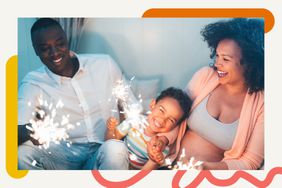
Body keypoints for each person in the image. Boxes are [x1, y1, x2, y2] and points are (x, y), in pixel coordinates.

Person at [17, 18, 137, 169]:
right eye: (45, 48)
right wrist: (32, 128)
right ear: (36, 50)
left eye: (59, 44)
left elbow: (133, 109)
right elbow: (13, 132)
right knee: (21, 155)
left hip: (102, 150)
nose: (54, 53)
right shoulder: (33, 82)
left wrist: (118, 133)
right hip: (63, 157)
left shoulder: (105, 64)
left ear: (66, 40)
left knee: (116, 148)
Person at [149, 18, 264, 170]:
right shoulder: (205, 76)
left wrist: (205, 169)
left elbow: (250, 162)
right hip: (169, 163)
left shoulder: (262, 104)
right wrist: (163, 140)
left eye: (225, 59)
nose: (217, 63)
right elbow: (176, 116)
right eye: (217, 55)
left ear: (249, 63)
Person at [98, 87, 191, 170]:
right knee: (114, 147)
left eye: (171, 120)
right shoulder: (135, 121)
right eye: (161, 110)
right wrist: (110, 129)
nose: (162, 120)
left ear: (175, 127)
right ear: (153, 104)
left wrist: (154, 161)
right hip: (113, 162)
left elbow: (144, 174)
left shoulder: (161, 146)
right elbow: (109, 141)